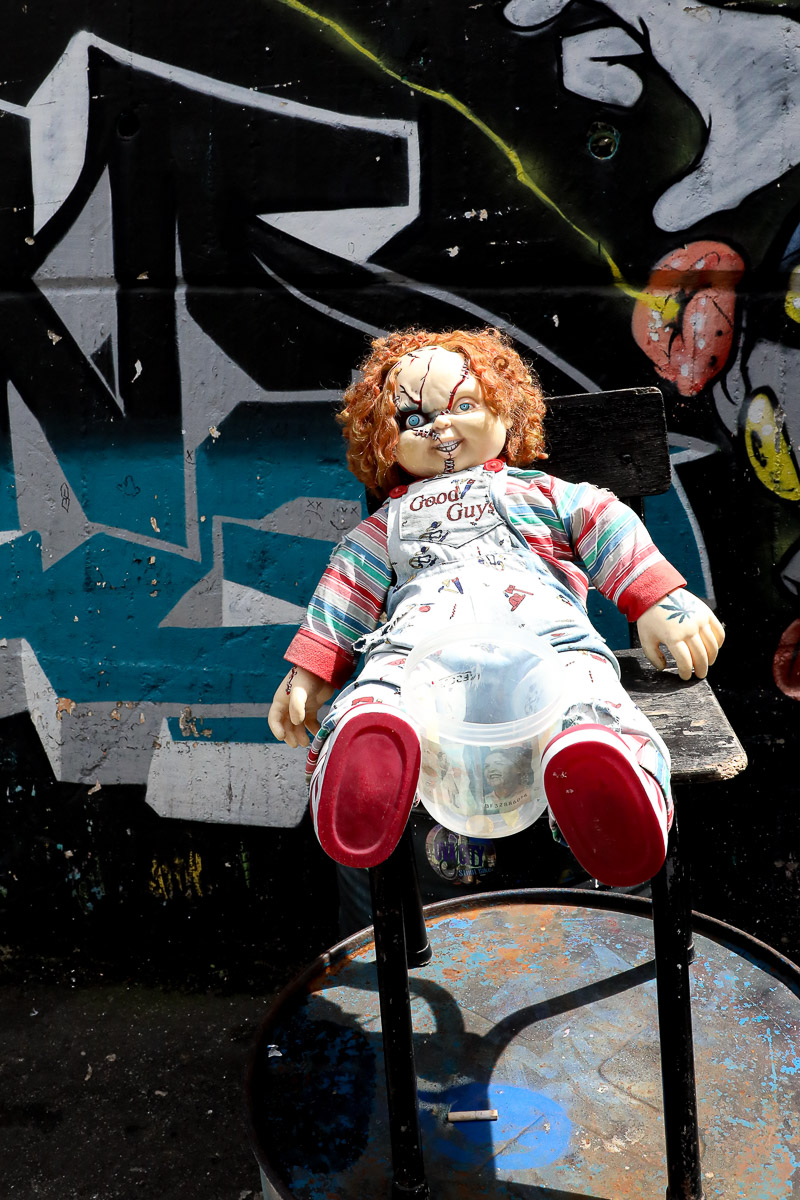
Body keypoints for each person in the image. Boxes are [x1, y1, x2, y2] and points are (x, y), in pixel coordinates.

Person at [268, 327, 724, 887]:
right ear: (385, 442)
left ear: (505, 412)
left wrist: (657, 597)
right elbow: (347, 584)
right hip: (421, 654)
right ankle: (367, 762)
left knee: (586, 697)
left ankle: (606, 782)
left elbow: (603, 520)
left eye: (463, 405)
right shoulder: (386, 526)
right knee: (380, 692)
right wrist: (312, 671)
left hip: (547, 644)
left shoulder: (540, 492)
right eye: (413, 420)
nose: (440, 427)